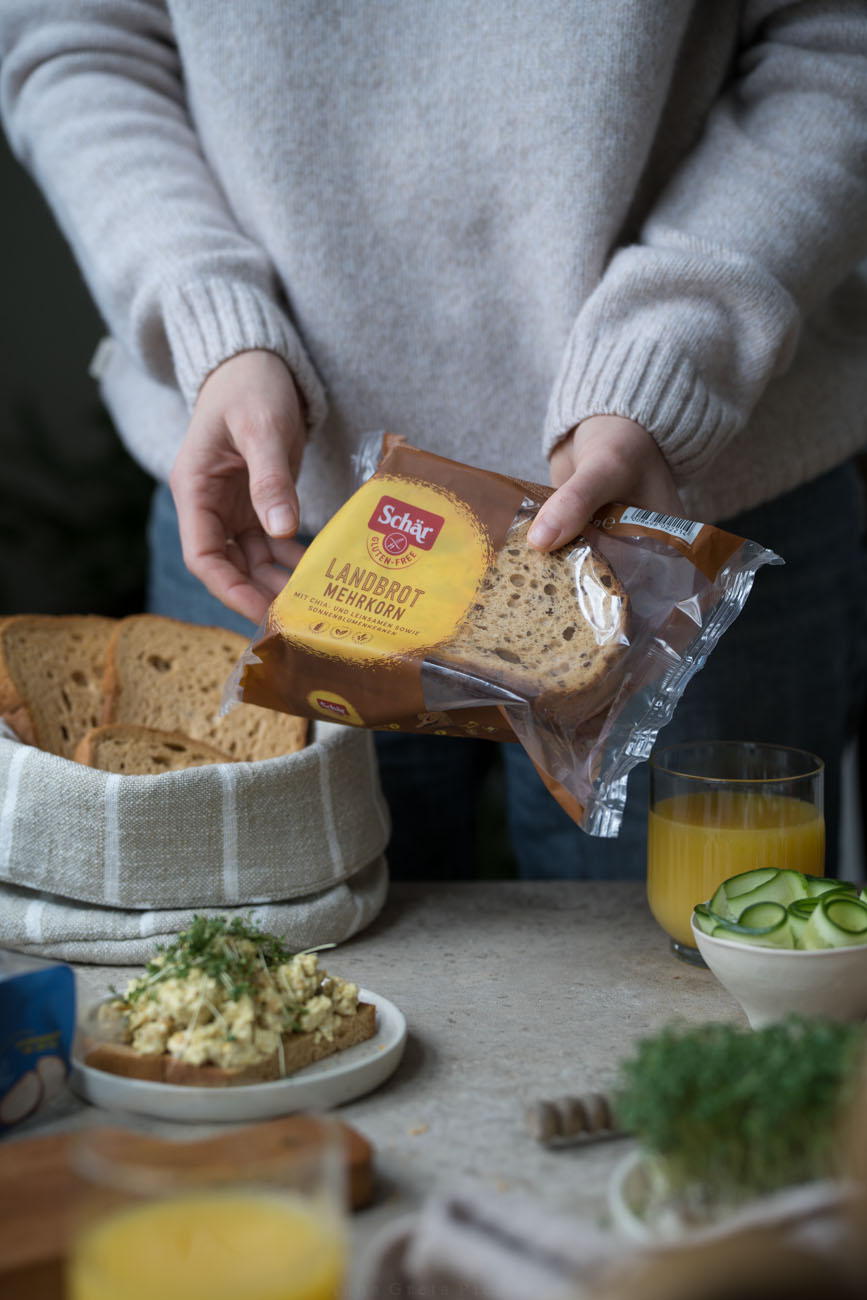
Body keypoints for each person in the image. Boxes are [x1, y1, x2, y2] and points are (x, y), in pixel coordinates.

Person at [2, 2, 866, 880]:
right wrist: (211, 320)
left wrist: (666, 355)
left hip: (672, 528)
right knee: (270, 986)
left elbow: (835, 43)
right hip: (275, 533)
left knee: (688, 991)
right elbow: (77, 41)